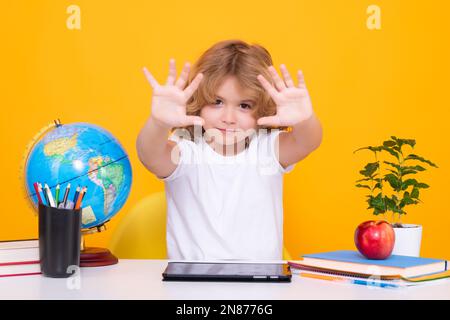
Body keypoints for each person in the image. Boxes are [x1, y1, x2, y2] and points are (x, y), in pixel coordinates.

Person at [136, 39, 323, 260]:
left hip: (260, 285)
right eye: (217, 102)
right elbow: (150, 155)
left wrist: (305, 119)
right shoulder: (187, 150)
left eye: (244, 106)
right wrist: (158, 123)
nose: (228, 118)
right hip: (192, 284)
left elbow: (308, 141)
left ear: (261, 109)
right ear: (199, 101)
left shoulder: (268, 149)